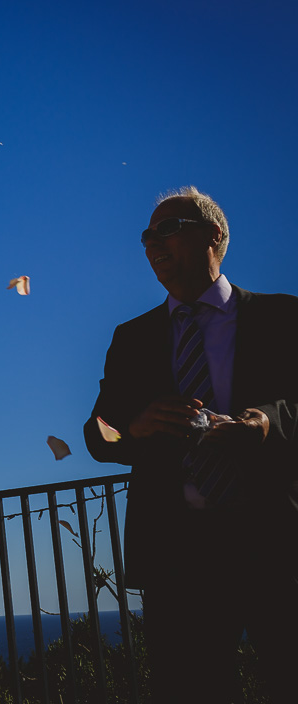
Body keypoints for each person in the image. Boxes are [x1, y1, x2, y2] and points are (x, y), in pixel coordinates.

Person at [83, 187, 298, 703]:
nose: (153, 243)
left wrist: (267, 425)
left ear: (214, 235)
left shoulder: (283, 317)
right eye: (146, 236)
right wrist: (133, 427)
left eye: (169, 229)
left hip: (275, 540)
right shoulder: (132, 338)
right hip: (178, 554)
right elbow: (97, 433)